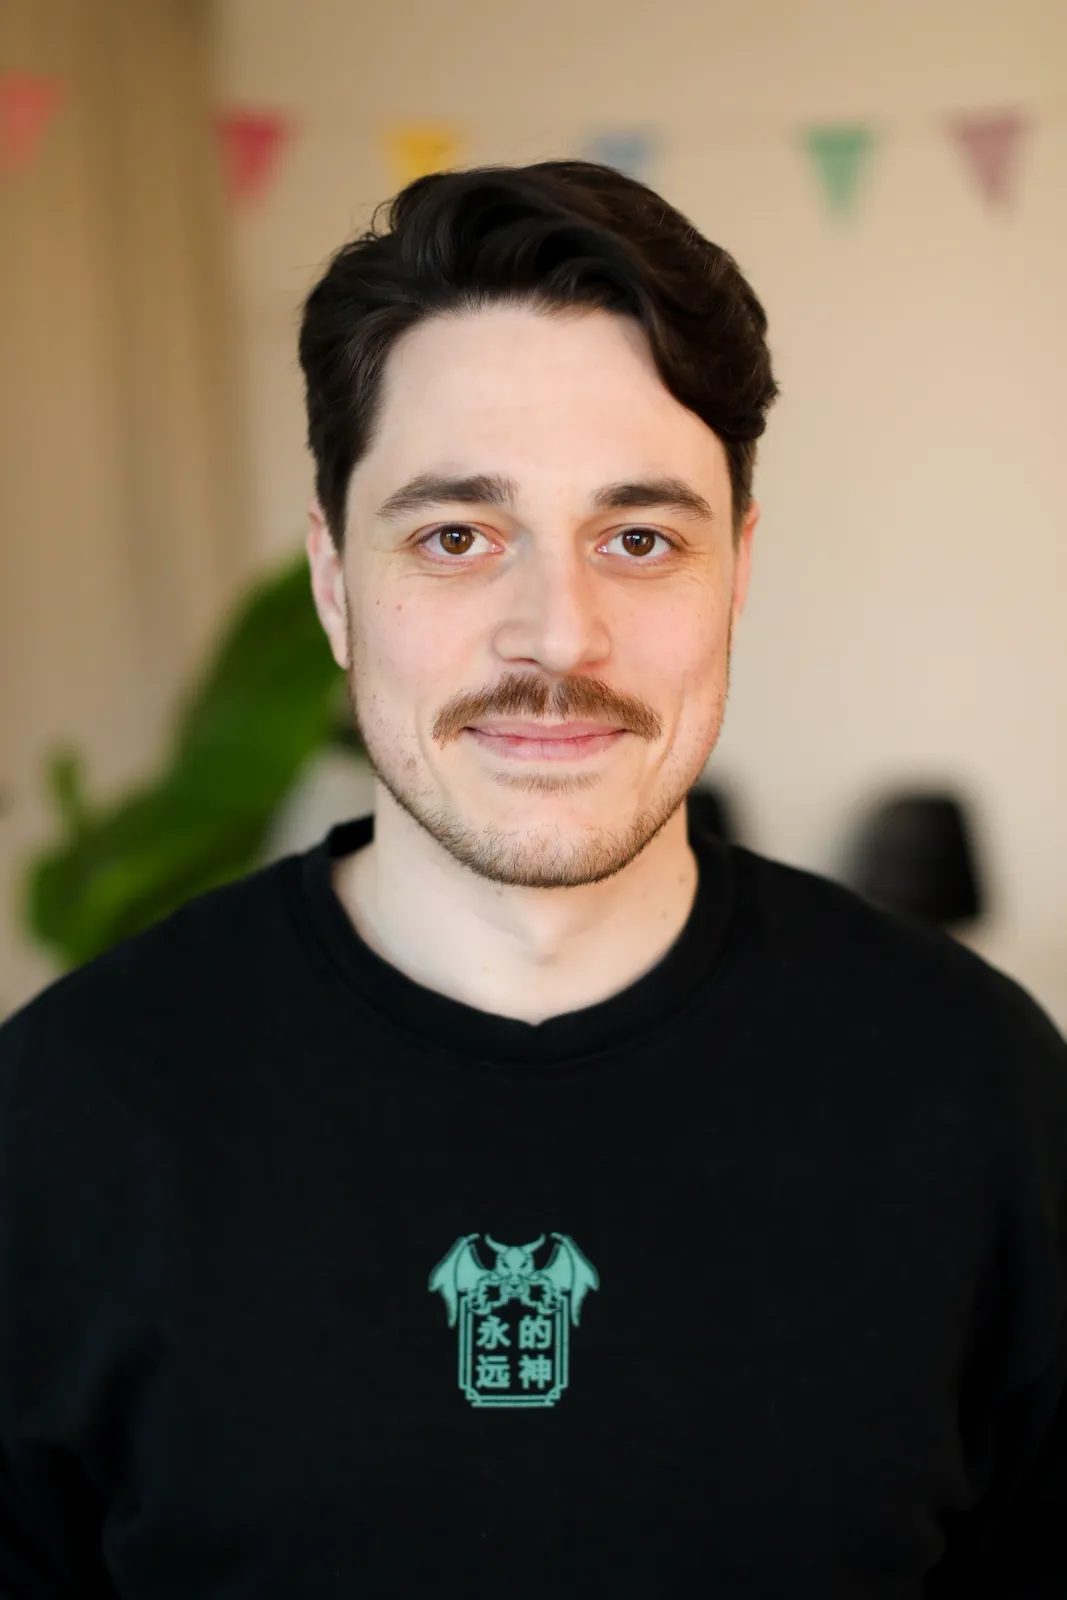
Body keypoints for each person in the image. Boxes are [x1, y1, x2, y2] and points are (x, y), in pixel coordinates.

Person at [1, 160, 1064, 1599]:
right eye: (456, 537)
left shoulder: (981, 1089)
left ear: (737, 571)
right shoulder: (63, 1117)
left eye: (640, 539)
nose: (558, 637)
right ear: (333, 581)